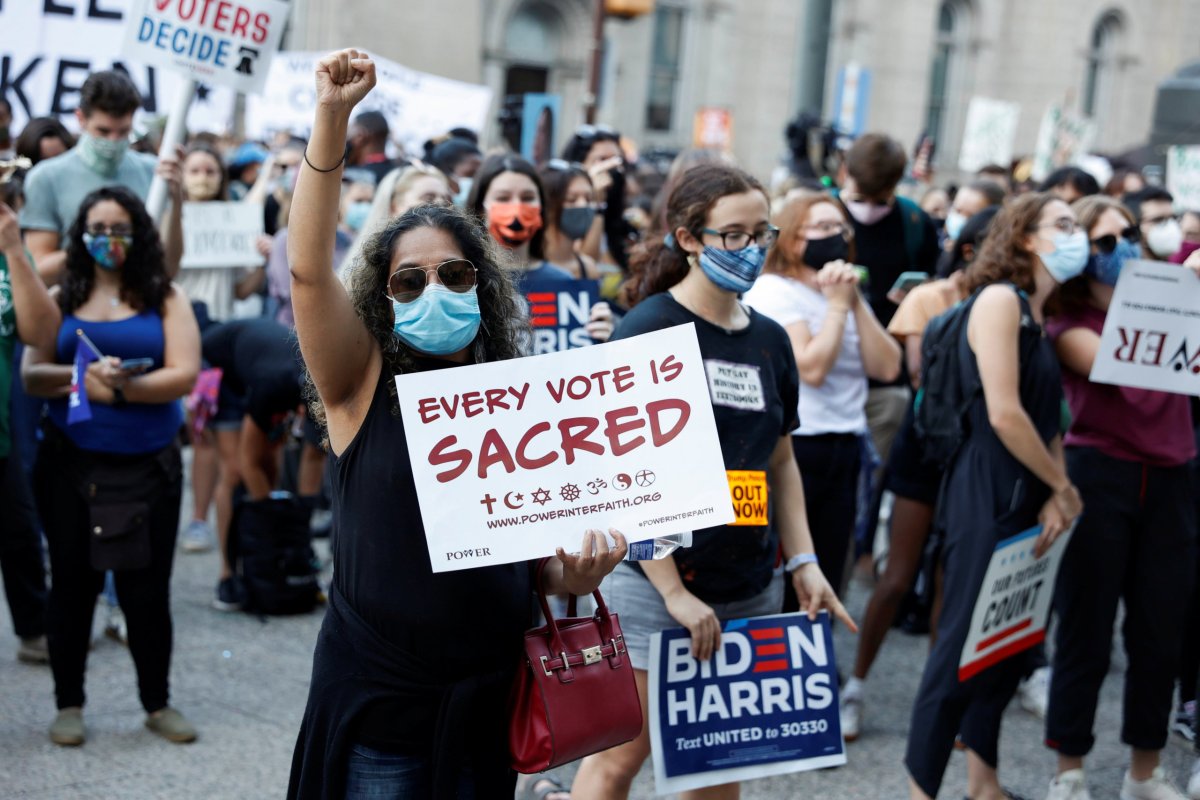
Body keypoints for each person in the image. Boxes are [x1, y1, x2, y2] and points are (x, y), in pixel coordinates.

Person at [284, 50, 627, 798]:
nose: (433, 288)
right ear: (383, 296)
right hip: (386, 711)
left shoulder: (514, 398)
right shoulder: (359, 387)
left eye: (454, 274)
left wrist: (573, 572)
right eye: (410, 280)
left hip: (486, 702)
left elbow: (532, 553)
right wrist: (332, 119)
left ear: (483, 283)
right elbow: (308, 272)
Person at [571, 162, 855, 800]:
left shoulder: (771, 341)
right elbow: (626, 472)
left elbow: (780, 461)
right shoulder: (649, 329)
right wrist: (672, 592)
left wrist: (804, 560)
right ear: (689, 238)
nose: (752, 248)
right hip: (655, 586)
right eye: (734, 235)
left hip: (747, 582)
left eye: (762, 232)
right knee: (620, 760)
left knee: (715, 769)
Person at [905, 193, 1085, 800]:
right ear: (1026, 238)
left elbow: (1049, 419)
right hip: (988, 485)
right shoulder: (1001, 301)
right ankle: (918, 791)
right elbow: (1006, 414)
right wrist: (1061, 485)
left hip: (1030, 488)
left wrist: (1059, 490)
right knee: (958, 648)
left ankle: (984, 785)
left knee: (1007, 644)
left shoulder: (1039, 312)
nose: (1076, 234)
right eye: (1063, 224)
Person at [21, 185, 201, 747]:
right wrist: (85, 381)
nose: (108, 240)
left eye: (120, 228)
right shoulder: (57, 294)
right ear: (80, 235)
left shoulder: (163, 294)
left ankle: (156, 702)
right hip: (69, 464)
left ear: (139, 233)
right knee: (72, 586)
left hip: (151, 468)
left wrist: (119, 392)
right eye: (97, 229)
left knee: (147, 589)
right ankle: (67, 704)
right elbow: (32, 373)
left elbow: (184, 375)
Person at [1038, 195, 1197, 800]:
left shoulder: (1177, 292)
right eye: (1105, 241)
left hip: (1174, 476)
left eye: (1128, 234)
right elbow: (1129, 364)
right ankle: (1069, 771)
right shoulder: (1067, 324)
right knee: (1086, 626)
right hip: (1099, 475)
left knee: (1160, 629)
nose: (1123, 247)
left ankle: (1144, 773)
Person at [842, 205, 999, 741]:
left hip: (977, 453)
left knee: (951, 586)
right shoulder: (931, 297)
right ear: (973, 249)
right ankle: (855, 688)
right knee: (897, 579)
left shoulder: (1017, 305)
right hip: (926, 445)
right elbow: (917, 374)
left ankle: (941, 702)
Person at [745, 194, 901, 602]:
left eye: (842, 229)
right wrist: (836, 308)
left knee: (831, 563)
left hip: (846, 445)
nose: (836, 237)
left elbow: (887, 366)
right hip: (800, 446)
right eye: (823, 228)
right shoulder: (774, 290)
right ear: (794, 237)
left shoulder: (843, 293)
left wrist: (852, 302)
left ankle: (816, 655)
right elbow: (810, 368)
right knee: (792, 563)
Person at [19, 70, 182, 286]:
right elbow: (38, 269)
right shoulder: (45, 178)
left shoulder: (153, 171)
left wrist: (176, 203)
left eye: (123, 131)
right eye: (103, 131)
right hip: (74, 308)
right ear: (81, 119)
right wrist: (100, 245)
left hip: (138, 304)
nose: (113, 141)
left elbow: (169, 268)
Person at [0, 181, 60, 665]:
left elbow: (40, 331)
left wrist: (15, 250)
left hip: (2, 439)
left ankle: (34, 628)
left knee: (20, 534)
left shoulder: (10, 259)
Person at [468, 154, 614, 343]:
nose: (517, 207)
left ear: (541, 208)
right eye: (503, 198)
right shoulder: (465, 284)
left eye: (528, 197)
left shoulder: (563, 283)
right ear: (481, 209)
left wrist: (602, 338)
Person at [562, 124, 636, 270]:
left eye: (616, 160)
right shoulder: (563, 211)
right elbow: (585, 262)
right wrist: (595, 203)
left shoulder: (621, 218)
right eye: (601, 160)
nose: (610, 167)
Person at [536, 159, 603, 279]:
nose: (582, 205)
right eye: (571, 199)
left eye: (588, 199)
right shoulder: (527, 268)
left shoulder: (588, 269)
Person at [1125, 186, 1183, 261]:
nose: (1169, 226)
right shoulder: (1122, 270)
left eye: (1173, 218)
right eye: (1158, 220)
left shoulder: (1183, 266)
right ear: (1135, 226)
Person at [344, 110, 395, 186]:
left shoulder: (347, 178)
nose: (346, 139)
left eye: (349, 132)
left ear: (360, 136)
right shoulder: (400, 173)